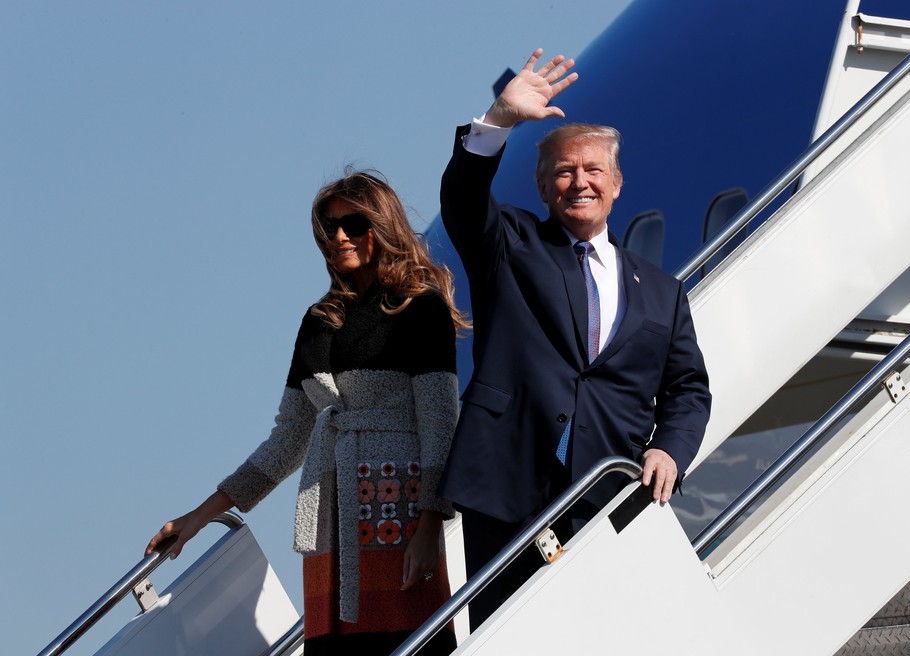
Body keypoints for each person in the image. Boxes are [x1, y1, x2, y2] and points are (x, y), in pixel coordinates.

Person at [437, 49, 712, 630]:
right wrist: (499, 120)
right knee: (512, 635)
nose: (579, 181)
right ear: (542, 188)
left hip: (605, 492)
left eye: (592, 170)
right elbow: (464, 201)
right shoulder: (511, 245)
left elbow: (688, 388)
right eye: (564, 171)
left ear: (616, 185)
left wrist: (671, 449)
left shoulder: (662, 291)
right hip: (507, 484)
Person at [145, 171, 467, 655]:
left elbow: (441, 427)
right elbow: (286, 440)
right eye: (328, 225)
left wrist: (428, 528)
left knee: (408, 641)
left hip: (396, 516)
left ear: (382, 224)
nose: (339, 236)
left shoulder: (420, 309)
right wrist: (197, 516)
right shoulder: (318, 321)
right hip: (329, 522)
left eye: (353, 223)